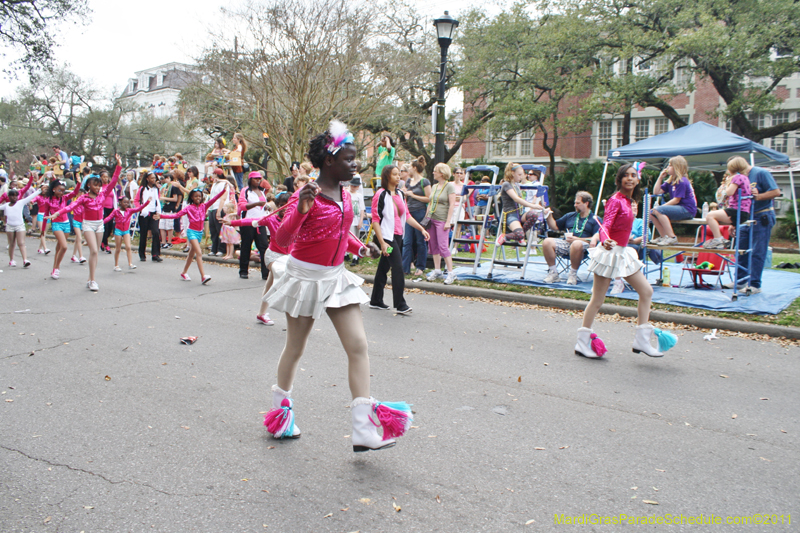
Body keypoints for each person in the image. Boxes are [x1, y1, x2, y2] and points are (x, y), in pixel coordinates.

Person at [261, 121, 412, 452]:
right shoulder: (308, 195)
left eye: (355, 158)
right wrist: (300, 211)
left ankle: (363, 430)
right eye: (349, 159)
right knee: (295, 348)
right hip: (305, 279)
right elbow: (282, 240)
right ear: (329, 161)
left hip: (336, 277)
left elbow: (341, 232)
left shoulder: (345, 194)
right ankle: (281, 415)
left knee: (358, 346)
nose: (355, 165)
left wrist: (361, 248)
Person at [576, 164, 674, 359]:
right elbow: (605, 225)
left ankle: (642, 341)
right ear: (619, 179)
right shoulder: (615, 200)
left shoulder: (629, 201)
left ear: (637, 179)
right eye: (626, 175)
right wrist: (605, 240)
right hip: (609, 253)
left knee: (646, 291)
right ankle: (582, 342)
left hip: (623, 253)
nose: (630, 178)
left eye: (633, 175)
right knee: (597, 300)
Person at [47, 155, 121, 292]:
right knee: (94, 250)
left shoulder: (103, 195)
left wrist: (119, 165)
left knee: (95, 253)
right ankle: (93, 281)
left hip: (99, 224)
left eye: (99, 185)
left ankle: (90, 278)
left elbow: (113, 182)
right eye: (95, 185)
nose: (98, 188)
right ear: (88, 185)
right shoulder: (84, 198)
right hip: (88, 225)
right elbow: (70, 207)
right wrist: (57, 213)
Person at [370, 164, 430, 314]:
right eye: (395, 174)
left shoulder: (400, 194)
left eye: (399, 174)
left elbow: (407, 216)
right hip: (387, 238)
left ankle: (376, 300)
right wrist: (382, 243)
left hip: (397, 236)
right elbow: (375, 220)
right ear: (387, 176)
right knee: (398, 268)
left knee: (383, 267)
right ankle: (400, 304)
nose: (398, 177)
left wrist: (421, 229)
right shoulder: (380, 194)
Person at [228, 191, 292, 326]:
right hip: (273, 256)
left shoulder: (296, 220)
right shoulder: (271, 219)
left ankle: (261, 314)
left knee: (270, 284)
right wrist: (232, 222)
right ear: (277, 206)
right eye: (281, 205)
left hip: (288, 257)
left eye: (288, 205)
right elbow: (251, 221)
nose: (284, 209)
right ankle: (292, 317)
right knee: (284, 278)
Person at [727, 158, 780, 295]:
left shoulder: (761, 173)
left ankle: (755, 284)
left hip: (761, 216)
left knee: (757, 251)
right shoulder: (740, 177)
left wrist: (758, 196)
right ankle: (740, 280)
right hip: (745, 216)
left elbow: (776, 192)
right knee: (741, 249)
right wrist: (734, 222)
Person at [159, 187, 226, 285]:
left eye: (199, 196)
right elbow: (176, 215)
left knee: (191, 254)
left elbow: (214, 199)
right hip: (192, 232)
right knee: (199, 252)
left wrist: (223, 191)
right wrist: (162, 216)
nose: (198, 198)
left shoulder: (204, 206)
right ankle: (203, 276)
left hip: (200, 233)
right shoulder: (189, 208)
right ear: (191, 197)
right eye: (195, 196)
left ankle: (184, 272)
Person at [542, 191, 601, 285]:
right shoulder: (570, 216)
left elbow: (597, 237)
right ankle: (553, 273)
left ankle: (573, 274)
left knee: (576, 244)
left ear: (586, 203)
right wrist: (548, 215)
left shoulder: (594, 219)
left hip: (585, 246)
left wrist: (577, 239)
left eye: (578, 203)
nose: (575, 205)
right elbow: (555, 227)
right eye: (575, 202)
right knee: (547, 241)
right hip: (567, 243)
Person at [702, 157, 752, 250]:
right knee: (714, 215)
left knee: (710, 216)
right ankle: (719, 239)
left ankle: (718, 239)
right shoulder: (745, 178)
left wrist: (728, 185)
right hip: (744, 211)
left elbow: (729, 192)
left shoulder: (737, 177)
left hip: (736, 210)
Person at [650, 156, 698, 245]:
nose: (667, 167)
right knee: (651, 213)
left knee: (658, 210)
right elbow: (656, 192)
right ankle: (664, 236)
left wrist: (660, 208)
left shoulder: (681, 181)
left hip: (687, 209)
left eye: (670, 165)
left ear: (676, 167)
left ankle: (672, 237)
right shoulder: (671, 181)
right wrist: (660, 178)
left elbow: (676, 200)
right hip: (680, 208)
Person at [496, 163, 546, 245]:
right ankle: (505, 236)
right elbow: (516, 198)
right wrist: (533, 205)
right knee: (519, 234)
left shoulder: (517, 185)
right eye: (519, 175)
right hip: (511, 214)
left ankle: (520, 235)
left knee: (533, 214)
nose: (521, 177)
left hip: (520, 213)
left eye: (521, 175)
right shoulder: (506, 184)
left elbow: (528, 184)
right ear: (512, 173)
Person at [42, 177, 81, 279]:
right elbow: (46, 215)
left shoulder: (64, 198)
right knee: (64, 247)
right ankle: (56, 268)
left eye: (63, 191)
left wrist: (78, 183)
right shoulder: (48, 200)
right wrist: (43, 230)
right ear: (54, 189)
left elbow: (74, 193)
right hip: (56, 224)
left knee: (59, 247)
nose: (61, 193)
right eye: (59, 190)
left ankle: (54, 268)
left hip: (66, 224)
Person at [425, 163, 458, 285]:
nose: (433, 173)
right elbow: (430, 202)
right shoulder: (434, 186)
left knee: (443, 246)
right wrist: (426, 218)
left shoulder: (449, 186)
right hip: (431, 219)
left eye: (435, 171)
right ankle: (437, 270)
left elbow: (452, 204)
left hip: (442, 220)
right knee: (433, 245)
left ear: (442, 173)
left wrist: (448, 221)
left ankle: (451, 272)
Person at [401, 156, 431, 276]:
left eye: (409, 167)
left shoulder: (424, 182)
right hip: (408, 212)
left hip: (420, 212)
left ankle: (420, 266)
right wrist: (404, 193)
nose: (408, 169)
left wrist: (413, 195)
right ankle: (405, 267)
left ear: (414, 168)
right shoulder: (408, 181)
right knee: (407, 241)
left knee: (420, 240)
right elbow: (406, 195)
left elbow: (429, 198)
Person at [237, 171, 269, 279]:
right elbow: (242, 206)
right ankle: (243, 271)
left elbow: (263, 205)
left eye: (259, 179)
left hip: (261, 222)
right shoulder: (245, 191)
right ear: (250, 180)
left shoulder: (262, 191)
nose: (258, 181)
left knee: (264, 246)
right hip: (248, 222)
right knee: (246, 246)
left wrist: (266, 207)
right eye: (255, 179)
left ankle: (265, 273)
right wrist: (256, 204)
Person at [103, 197, 150, 271]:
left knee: (128, 247)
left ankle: (130, 264)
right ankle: (116, 265)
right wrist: (101, 223)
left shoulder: (129, 211)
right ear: (120, 202)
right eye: (124, 202)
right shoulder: (116, 211)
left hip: (126, 230)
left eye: (127, 202)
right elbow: (109, 218)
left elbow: (139, 208)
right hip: (118, 231)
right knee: (118, 249)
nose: (126, 204)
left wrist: (147, 202)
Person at [1, 186, 40, 267]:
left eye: (16, 195)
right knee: (11, 244)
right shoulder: (6, 205)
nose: (14, 197)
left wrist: (39, 190)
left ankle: (25, 260)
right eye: (12, 195)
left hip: (20, 226)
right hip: (10, 226)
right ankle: (11, 260)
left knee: (21, 243)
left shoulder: (20, 203)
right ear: (9, 197)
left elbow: (30, 197)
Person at [134, 171, 163, 262]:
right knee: (143, 234)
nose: (153, 180)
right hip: (144, 213)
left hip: (154, 212)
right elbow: (136, 200)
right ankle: (142, 254)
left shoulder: (156, 189)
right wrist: (140, 209)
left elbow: (158, 199)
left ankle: (155, 254)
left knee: (156, 232)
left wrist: (158, 210)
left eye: (154, 178)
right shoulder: (142, 189)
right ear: (147, 179)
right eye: (152, 178)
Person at [206, 168, 230, 257]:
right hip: (212, 208)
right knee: (213, 230)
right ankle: (214, 248)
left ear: (217, 174)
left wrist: (219, 210)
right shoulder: (214, 184)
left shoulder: (224, 184)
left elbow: (223, 198)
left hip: (219, 207)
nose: (212, 176)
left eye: (214, 174)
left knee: (220, 229)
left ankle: (221, 249)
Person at [348, 176, 366, 265]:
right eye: (352, 185)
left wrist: (361, 220)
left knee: (357, 237)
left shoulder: (359, 196)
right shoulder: (347, 194)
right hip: (350, 219)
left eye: (355, 186)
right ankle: (351, 256)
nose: (353, 187)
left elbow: (362, 209)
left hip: (357, 218)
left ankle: (356, 256)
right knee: (351, 237)